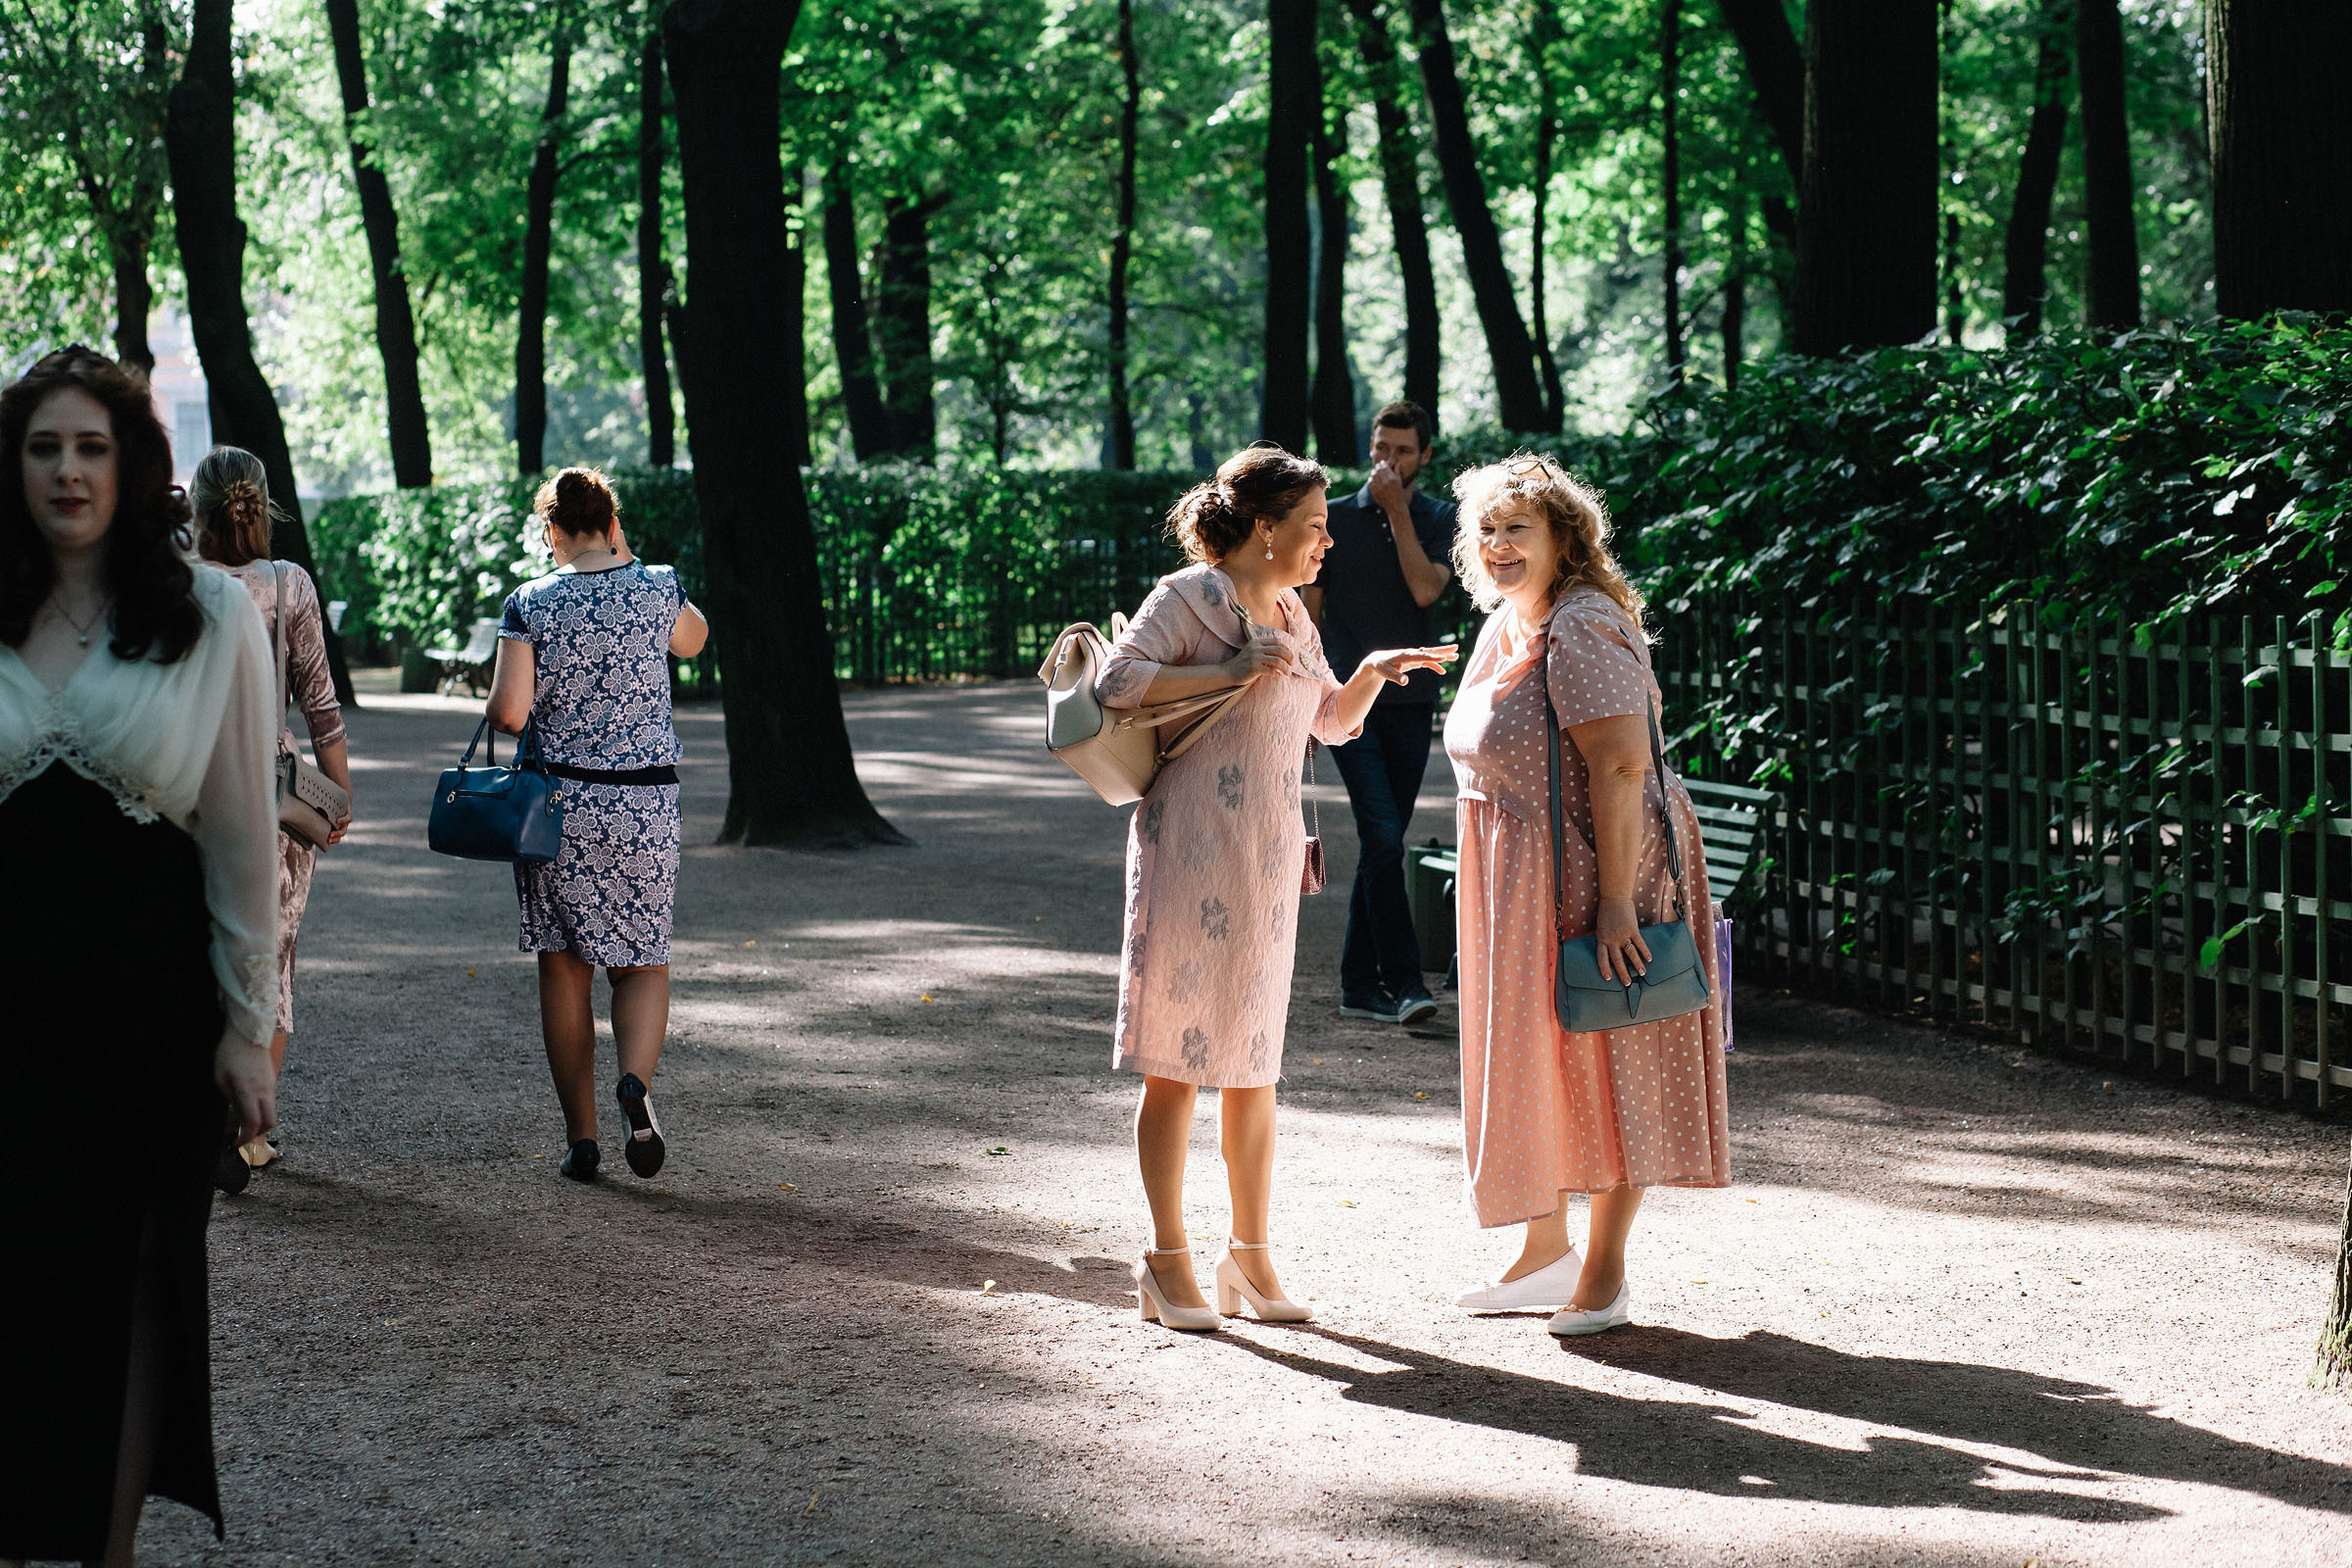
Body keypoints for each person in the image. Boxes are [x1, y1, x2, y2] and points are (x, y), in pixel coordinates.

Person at [0, 347, 278, 1564]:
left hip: (150, 1019)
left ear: (134, 465)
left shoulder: (210, 615)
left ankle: (106, 1552)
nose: (68, 470)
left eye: (92, 447)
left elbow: (237, 833)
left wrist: (246, 1021)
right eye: (44, 447)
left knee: (139, 1287)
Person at [1098, 443, 1457, 1331]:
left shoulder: (1295, 612)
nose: (1328, 540)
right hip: (1188, 857)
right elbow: (1117, 682)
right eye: (1315, 525)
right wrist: (1223, 669)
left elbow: (1327, 720)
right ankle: (1166, 1259)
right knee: (1177, 1069)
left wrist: (1371, 673)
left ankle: (1250, 1261)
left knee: (1253, 1068)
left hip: (1263, 864)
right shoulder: (1187, 596)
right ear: (1264, 529)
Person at [1440, 455, 1729, 1337]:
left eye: (1516, 529)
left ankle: (1603, 1273)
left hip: (1601, 869)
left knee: (1616, 1053)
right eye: (1485, 530)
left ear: (1566, 536)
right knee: (1539, 1059)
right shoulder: (1506, 627)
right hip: (1522, 879)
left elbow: (1621, 764)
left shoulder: (1582, 623)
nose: (1496, 545)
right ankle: (1541, 1255)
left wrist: (1614, 905)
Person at [485, 466, 708, 1183]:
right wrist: (633, 560)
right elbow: (694, 641)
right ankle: (635, 1085)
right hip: (645, 804)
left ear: (551, 531)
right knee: (641, 958)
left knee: (564, 963)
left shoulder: (531, 603)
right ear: (611, 524)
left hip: (561, 810)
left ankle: (583, 1141)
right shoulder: (657, 585)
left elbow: (511, 713)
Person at [192, 445, 353, 1177]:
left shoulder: (178, 582)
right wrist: (336, 800)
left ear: (196, 508)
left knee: (198, 953)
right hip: (273, 792)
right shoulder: (289, 585)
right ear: (263, 504)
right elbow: (322, 707)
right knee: (272, 964)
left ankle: (199, 1119)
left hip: (187, 784)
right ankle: (249, 1130)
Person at [1298, 400, 1456, 1026]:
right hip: (1346, 702)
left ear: (1425, 456)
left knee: (1381, 844)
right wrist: (1300, 706)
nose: (1390, 461)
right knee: (1384, 835)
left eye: (1404, 451)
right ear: (1370, 448)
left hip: (1413, 705)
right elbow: (1309, 617)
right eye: (1382, 448)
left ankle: (1357, 985)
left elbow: (1425, 589)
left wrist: (1397, 513)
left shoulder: (1440, 518)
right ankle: (1405, 981)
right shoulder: (1333, 521)